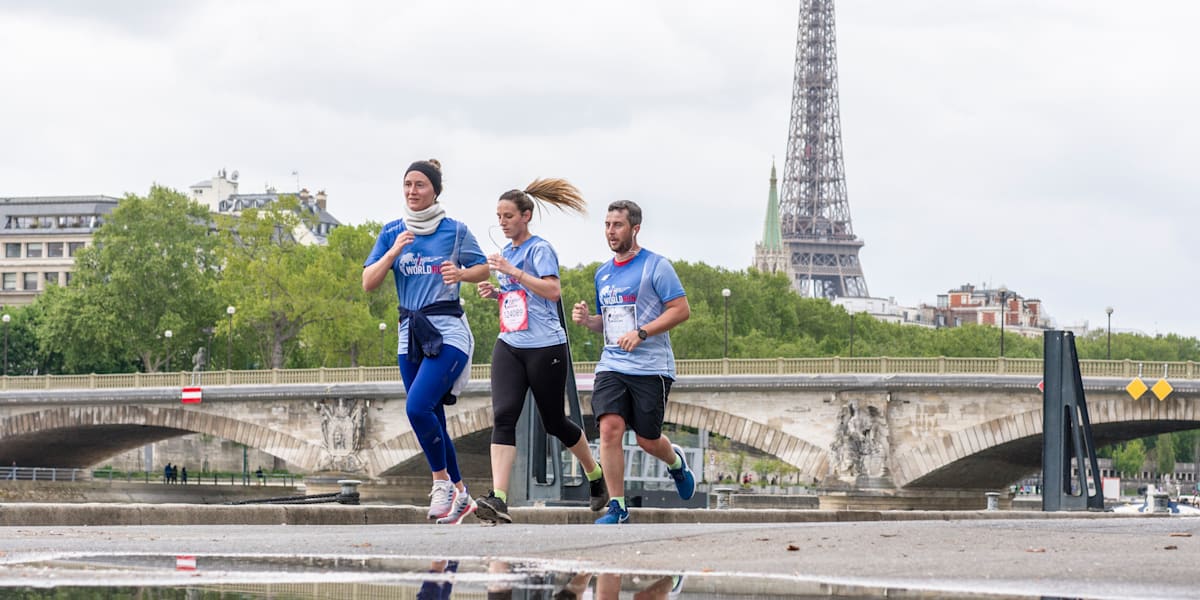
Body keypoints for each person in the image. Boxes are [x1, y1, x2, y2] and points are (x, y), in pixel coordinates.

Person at [472, 179, 607, 524]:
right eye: (498, 216)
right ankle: (499, 497)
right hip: (510, 343)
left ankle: (594, 474)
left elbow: (551, 291)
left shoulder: (538, 250)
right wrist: (497, 294)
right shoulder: (507, 254)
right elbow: (520, 299)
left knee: (554, 422)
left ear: (526, 216)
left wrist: (512, 272)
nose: (502, 222)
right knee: (503, 416)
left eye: (508, 216)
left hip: (546, 346)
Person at [363, 158, 489, 525]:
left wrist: (462, 273)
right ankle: (462, 495)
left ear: (435, 190)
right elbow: (368, 283)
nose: (412, 192)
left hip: (448, 329)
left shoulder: (455, 231)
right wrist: (391, 253)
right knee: (433, 417)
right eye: (407, 185)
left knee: (417, 408)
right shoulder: (391, 232)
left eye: (419, 185)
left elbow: (483, 267)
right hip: (410, 335)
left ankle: (440, 483)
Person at [572, 200, 693, 525]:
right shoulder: (603, 273)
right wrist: (588, 321)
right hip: (612, 364)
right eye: (607, 225)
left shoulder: (657, 266)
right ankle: (618, 506)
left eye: (618, 225)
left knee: (647, 440)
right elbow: (609, 325)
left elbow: (681, 310)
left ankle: (676, 461)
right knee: (609, 429)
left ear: (635, 228)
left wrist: (642, 333)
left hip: (651, 367)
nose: (611, 232)